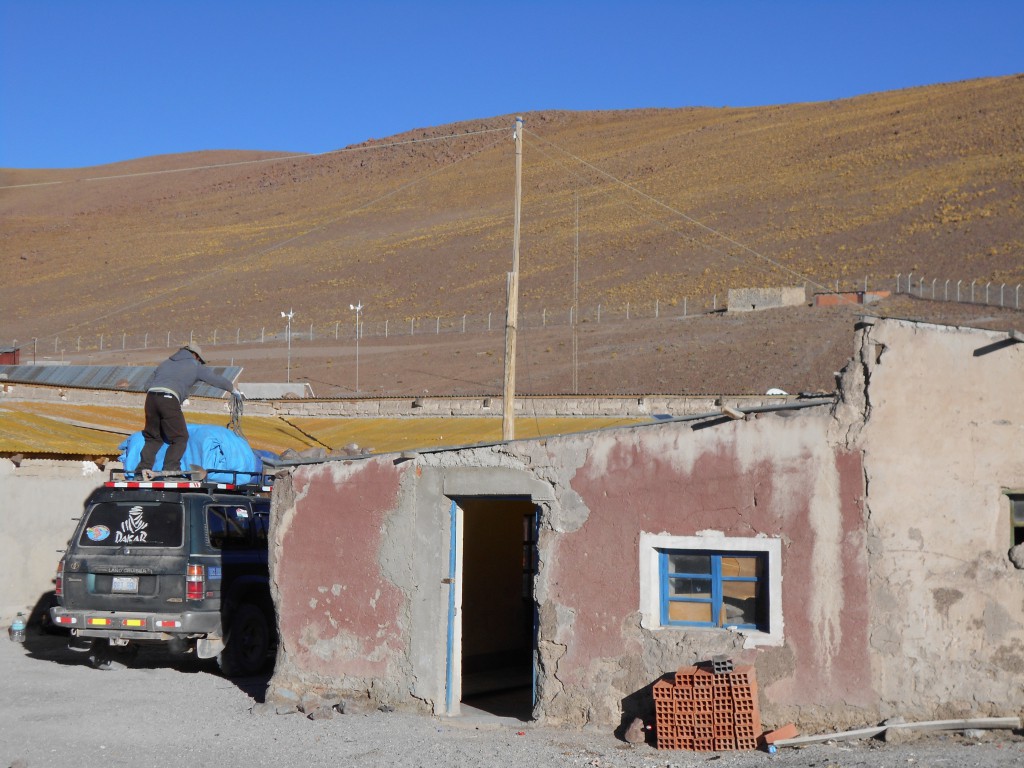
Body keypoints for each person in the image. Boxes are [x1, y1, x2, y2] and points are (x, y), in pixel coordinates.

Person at [136, 343, 242, 477]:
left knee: (153, 438)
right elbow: (214, 379)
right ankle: (171, 471)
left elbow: (147, 386)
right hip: (169, 398)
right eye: (199, 359)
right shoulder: (194, 365)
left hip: (150, 399)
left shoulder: (165, 363)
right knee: (180, 437)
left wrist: (179, 393)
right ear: (195, 355)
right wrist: (233, 390)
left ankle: (141, 472)